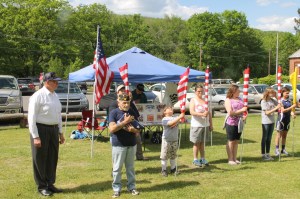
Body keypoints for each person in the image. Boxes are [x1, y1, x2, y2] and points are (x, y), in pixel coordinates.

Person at [28, 72, 65, 196]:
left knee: (52, 157)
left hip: (53, 129)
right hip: (41, 129)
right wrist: (35, 136)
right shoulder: (38, 96)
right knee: (40, 158)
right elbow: (31, 117)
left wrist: (60, 132)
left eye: (57, 81)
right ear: (47, 82)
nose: (57, 83)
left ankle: (50, 183)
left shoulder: (55, 96)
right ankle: (42, 186)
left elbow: (58, 115)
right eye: (54, 81)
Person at [109, 93, 140, 198]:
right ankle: (116, 189)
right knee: (117, 168)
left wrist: (133, 130)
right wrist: (124, 122)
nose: (126, 105)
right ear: (119, 102)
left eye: (128, 102)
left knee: (130, 168)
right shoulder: (114, 112)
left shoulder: (132, 112)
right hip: (119, 145)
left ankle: (132, 187)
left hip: (131, 144)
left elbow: (138, 130)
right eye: (124, 103)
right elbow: (112, 129)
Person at [109, 84, 147, 161]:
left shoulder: (130, 104)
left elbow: (136, 116)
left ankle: (139, 156)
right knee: (117, 161)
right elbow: (112, 123)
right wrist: (125, 122)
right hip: (118, 137)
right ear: (117, 93)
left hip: (131, 136)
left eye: (124, 90)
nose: (123, 92)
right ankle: (115, 171)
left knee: (130, 164)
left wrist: (134, 129)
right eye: (121, 90)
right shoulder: (113, 105)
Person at [189, 85, 213, 167]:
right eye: (198, 91)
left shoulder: (205, 101)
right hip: (196, 125)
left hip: (205, 125)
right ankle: (195, 159)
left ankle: (202, 158)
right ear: (195, 92)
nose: (200, 93)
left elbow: (209, 113)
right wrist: (201, 114)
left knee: (202, 143)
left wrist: (211, 124)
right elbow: (192, 112)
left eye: (201, 91)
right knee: (196, 143)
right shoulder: (193, 100)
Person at [224, 85, 248, 165]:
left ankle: (234, 157)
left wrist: (245, 115)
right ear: (233, 91)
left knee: (236, 141)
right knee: (231, 140)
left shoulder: (240, 99)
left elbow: (244, 110)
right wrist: (241, 110)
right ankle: (230, 159)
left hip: (239, 122)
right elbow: (230, 112)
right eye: (238, 91)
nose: (239, 92)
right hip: (231, 122)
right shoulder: (228, 100)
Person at [160, 106, 185, 177]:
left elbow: (182, 120)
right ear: (165, 112)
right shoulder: (164, 119)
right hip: (166, 140)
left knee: (173, 155)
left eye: (172, 109)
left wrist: (182, 117)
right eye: (169, 108)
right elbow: (170, 124)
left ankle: (173, 168)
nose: (171, 109)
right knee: (164, 155)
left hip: (174, 139)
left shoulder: (175, 117)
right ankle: (163, 169)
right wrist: (179, 117)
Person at [275, 87, 297, 156]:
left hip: (287, 120)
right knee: (279, 135)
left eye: (288, 93)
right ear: (282, 93)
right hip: (281, 120)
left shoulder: (289, 101)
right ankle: (276, 149)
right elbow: (283, 110)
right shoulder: (280, 101)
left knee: (285, 135)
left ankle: (283, 149)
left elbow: (289, 111)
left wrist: (292, 114)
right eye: (286, 93)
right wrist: (292, 107)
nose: (288, 94)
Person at [260, 88, 281, 161]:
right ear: (267, 93)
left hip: (272, 121)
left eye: (273, 93)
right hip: (266, 121)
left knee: (269, 138)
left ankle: (268, 153)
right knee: (265, 138)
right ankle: (263, 154)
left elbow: (279, 104)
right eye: (271, 93)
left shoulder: (272, 100)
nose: (272, 94)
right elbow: (267, 113)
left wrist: (276, 97)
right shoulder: (263, 101)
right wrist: (276, 108)